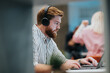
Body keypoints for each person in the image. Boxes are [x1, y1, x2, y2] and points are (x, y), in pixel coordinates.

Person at [33, 5, 98, 73]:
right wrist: (59, 67)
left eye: (59, 24)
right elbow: (32, 67)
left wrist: (80, 61)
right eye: (56, 23)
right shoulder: (32, 37)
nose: (58, 27)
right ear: (45, 22)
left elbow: (63, 61)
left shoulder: (49, 40)